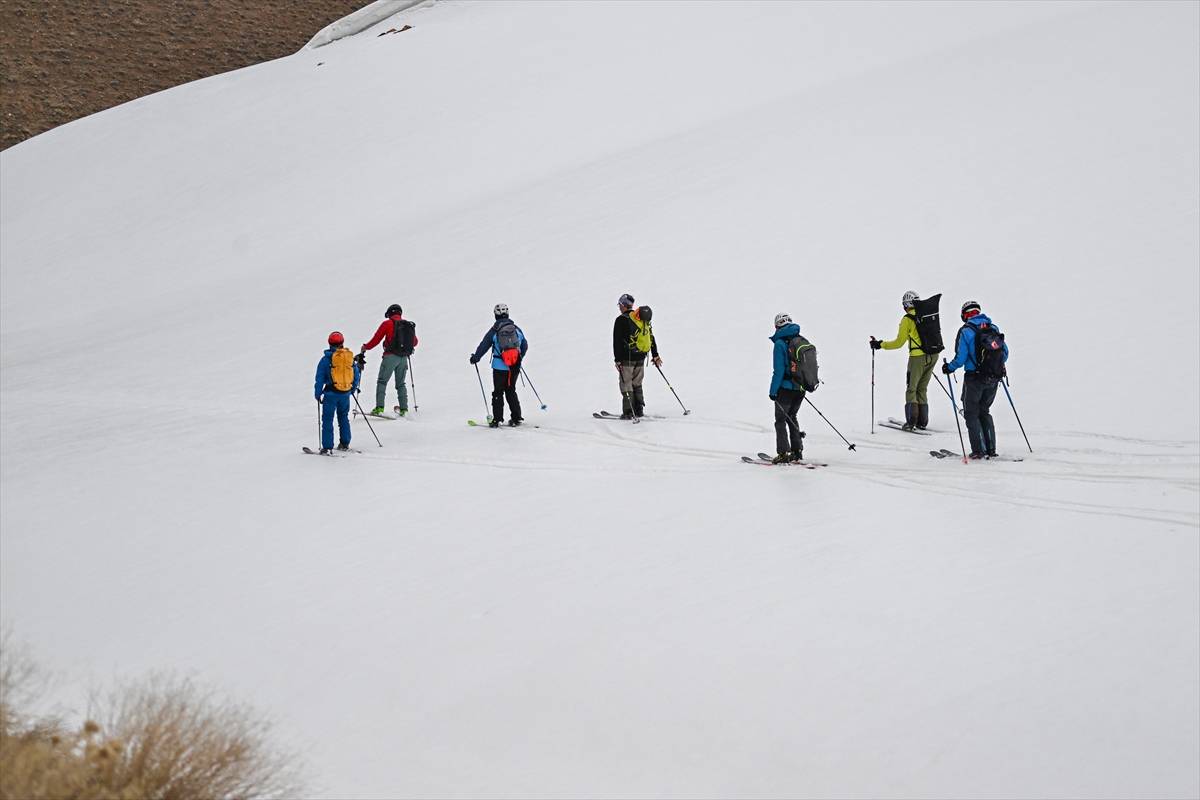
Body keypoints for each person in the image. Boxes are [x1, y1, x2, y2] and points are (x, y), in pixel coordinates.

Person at [943, 300, 1009, 459]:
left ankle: (978, 450)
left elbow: (961, 358)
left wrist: (949, 367)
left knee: (971, 414)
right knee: (984, 411)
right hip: (993, 378)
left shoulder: (966, 331)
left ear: (964, 315)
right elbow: (1005, 353)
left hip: (974, 378)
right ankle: (991, 449)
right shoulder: (993, 328)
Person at [870, 290, 937, 431]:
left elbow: (899, 343)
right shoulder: (926, 314)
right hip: (933, 355)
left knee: (912, 388)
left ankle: (911, 422)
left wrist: (881, 344)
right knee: (922, 388)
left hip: (917, 357)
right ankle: (922, 422)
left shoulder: (907, 319)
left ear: (906, 305)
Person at [470, 303, 528, 427]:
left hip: (499, 367)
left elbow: (484, 345)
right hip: (514, 367)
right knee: (511, 390)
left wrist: (476, 357)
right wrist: (518, 358)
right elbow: (524, 345)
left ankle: (497, 420)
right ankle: (516, 418)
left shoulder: (494, 330)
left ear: (495, 315)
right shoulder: (516, 329)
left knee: (498, 392)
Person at [360, 303, 418, 416]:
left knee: (382, 381)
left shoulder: (387, 324)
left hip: (390, 357)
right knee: (401, 384)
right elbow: (415, 342)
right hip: (403, 358)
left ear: (390, 313)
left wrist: (365, 347)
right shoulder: (407, 325)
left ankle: (379, 408)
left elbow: (376, 339)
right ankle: (404, 409)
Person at [612, 293, 661, 419]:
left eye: (619, 304)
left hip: (627, 359)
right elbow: (650, 337)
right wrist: (655, 355)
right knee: (637, 383)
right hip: (641, 357)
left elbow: (617, 341)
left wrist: (617, 360)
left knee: (626, 384)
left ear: (623, 305)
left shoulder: (621, 320)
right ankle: (639, 409)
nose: (619, 307)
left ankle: (629, 412)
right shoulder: (640, 318)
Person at [314, 331, 361, 454]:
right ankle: (345, 443)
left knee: (328, 420)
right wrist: (352, 389)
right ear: (342, 342)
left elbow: (319, 378)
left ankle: (327, 447)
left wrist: (318, 394)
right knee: (343, 417)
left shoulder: (326, 360)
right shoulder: (348, 358)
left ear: (329, 343)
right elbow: (356, 375)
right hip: (345, 393)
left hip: (330, 394)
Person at [768, 313, 806, 463]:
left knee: (780, 420)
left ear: (776, 326)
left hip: (785, 389)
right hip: (801, 388)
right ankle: (797, 451)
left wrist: (773, 391)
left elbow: (779, 371)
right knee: (792, 417)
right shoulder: (800, 339)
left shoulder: (780, 344)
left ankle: (783, 453)